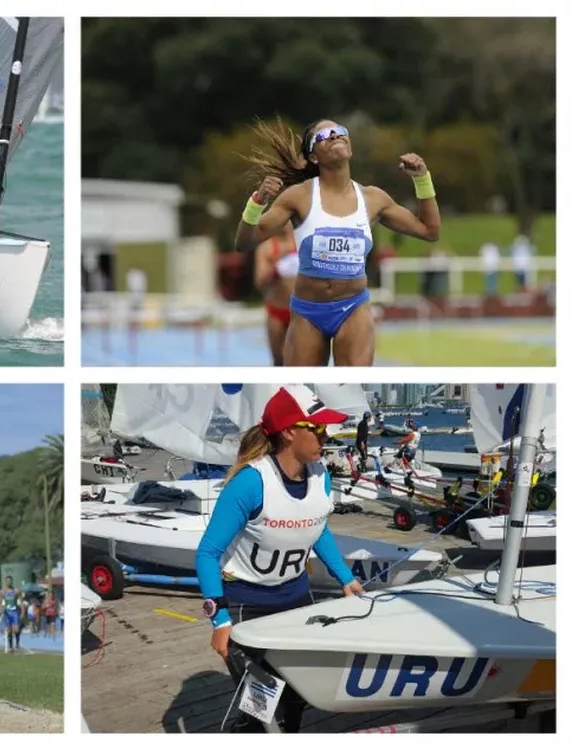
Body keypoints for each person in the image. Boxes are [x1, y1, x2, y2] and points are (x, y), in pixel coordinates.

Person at [194, 386, 365, 732]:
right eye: (316, 429)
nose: (325, 436)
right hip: (248, 606)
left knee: (297, 697)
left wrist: (345, 578)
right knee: (263, 708)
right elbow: (207, 553)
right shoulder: (250, 483)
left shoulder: (321, 477)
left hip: (296, 600)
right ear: (289, 432)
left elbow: (318, 528)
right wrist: (220, 620)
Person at [234, 118, 441, 366]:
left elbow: (429, 230)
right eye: (323, 136)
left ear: (350, 145)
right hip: (308, 313)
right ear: (313, 157)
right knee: (303, 393)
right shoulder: (298, 197)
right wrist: (257, 202)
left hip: (353, 308)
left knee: (349, 391)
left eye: (340, 131)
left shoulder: (374, 199)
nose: (334, 136)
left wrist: (422, 179)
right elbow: (244, 242)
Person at [253, 222, 298, 365]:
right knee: (278, 360)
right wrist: (276, 264)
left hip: (299, 312)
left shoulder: (303, 242)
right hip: (276, 311)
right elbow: (259, 281)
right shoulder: (266, 248)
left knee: (300, 360)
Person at [0, 576, 22, 653]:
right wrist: (1, 610)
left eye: (10, 581)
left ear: (12, 581)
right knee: (9, 631)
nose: (9, 582)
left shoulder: (16, 591)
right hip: (7, 613)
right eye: (7, 581)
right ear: (6, 582)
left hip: (15, 612)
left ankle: (17, 645)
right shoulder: (2, 592)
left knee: (16, 629)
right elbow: (0, 603)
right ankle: (10, 647)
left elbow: (21, 602)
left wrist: (23, 612)